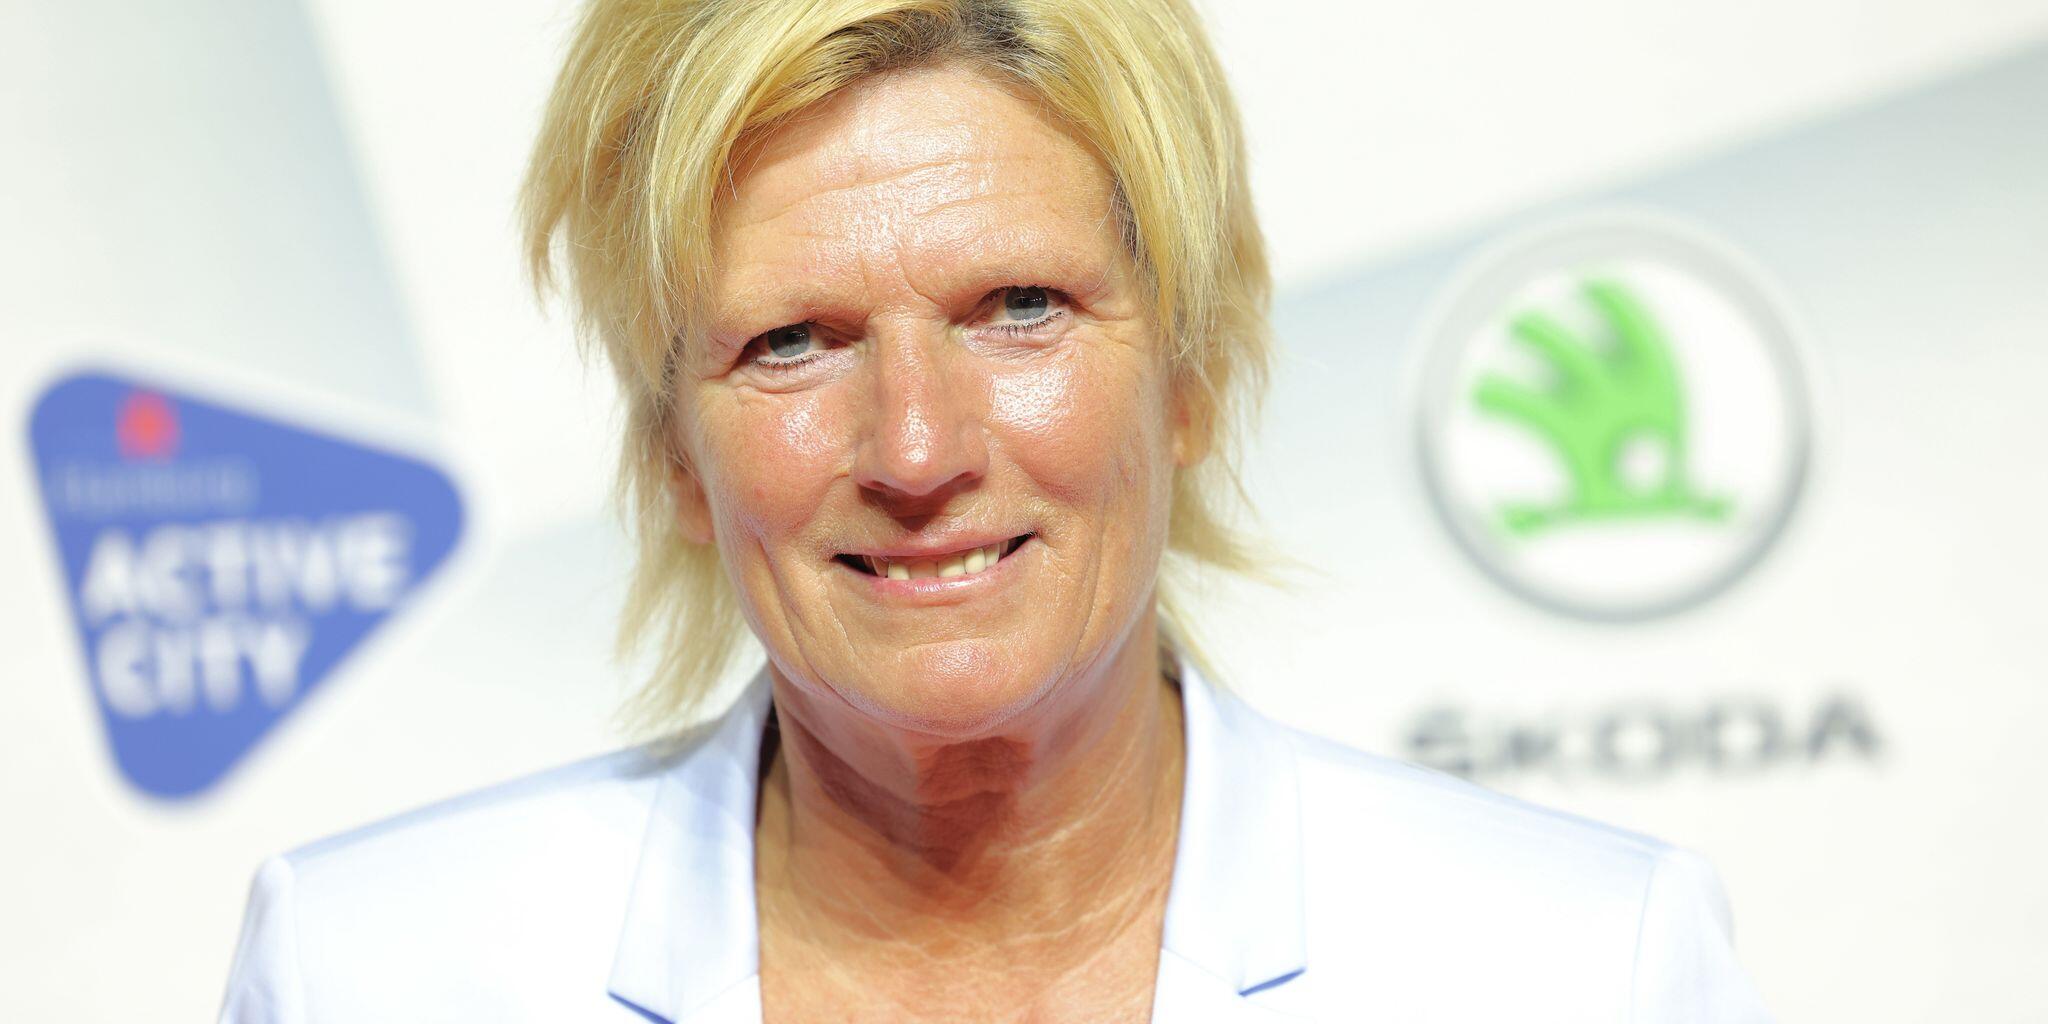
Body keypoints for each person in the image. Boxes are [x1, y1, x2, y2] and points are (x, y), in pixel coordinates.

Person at [218, 0, 1773, 1020]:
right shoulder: (373, 972)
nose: (915, 446)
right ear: (675, 453)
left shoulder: (1580, 967)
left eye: (1018, 307)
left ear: (1188, 375)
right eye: (793, 341)